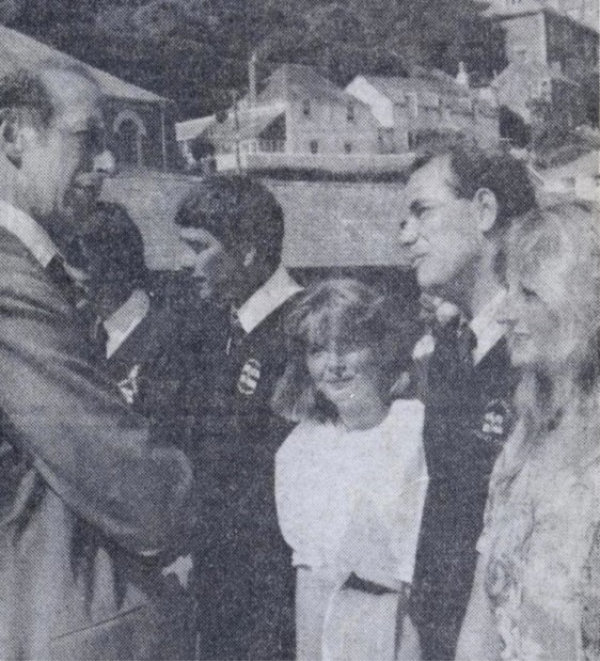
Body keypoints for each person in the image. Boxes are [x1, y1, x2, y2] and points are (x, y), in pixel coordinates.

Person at [0, 64, 192, 659]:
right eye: (88, 138)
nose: (108, 164)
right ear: (12, 136)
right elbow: (125, 479)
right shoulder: (11, 281)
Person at [398, 142, 537, 660]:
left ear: (484, 210)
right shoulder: (455, 355)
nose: (404, 236)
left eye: (421, 211)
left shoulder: (540, 360)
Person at [456, 201, 600, 660]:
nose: (505, 313)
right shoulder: (522, 442)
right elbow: (480, 624)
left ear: (580, 307)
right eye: (508, 291)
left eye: (529, 294)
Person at [173, 174, 303, 660]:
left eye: (198, 247)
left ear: (248, 251)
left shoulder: (302, 331)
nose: (186, 264)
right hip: (223, 580)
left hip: (273, 590)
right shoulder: (221, 327)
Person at [272, 278, 428, 661]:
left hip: (404, 630)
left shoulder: (415, 430)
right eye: (318, 350)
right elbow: (308, 578)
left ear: (380, 347)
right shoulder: (302, 447)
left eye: (350, 345)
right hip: (332, 632)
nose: (334, 365)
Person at [76, 201, 196, 659]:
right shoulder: (83, 340)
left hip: (161, 563)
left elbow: (182, 451)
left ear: (105, 266)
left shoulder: (172, 338)